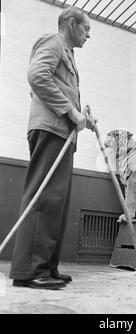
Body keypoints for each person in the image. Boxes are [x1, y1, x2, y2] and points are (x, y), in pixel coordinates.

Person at [9, 6, 96, 290]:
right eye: (86, 29)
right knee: (44, 200)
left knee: (56, 203)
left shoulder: (67, 53)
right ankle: (30, 271)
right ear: (71, 24)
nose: (88, 35)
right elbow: (37, 75)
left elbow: (58, 87)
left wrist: (82, 116)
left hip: (62, 135)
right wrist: (71, 112)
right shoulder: (53, 43)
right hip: (50, 129)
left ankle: (47, 267)